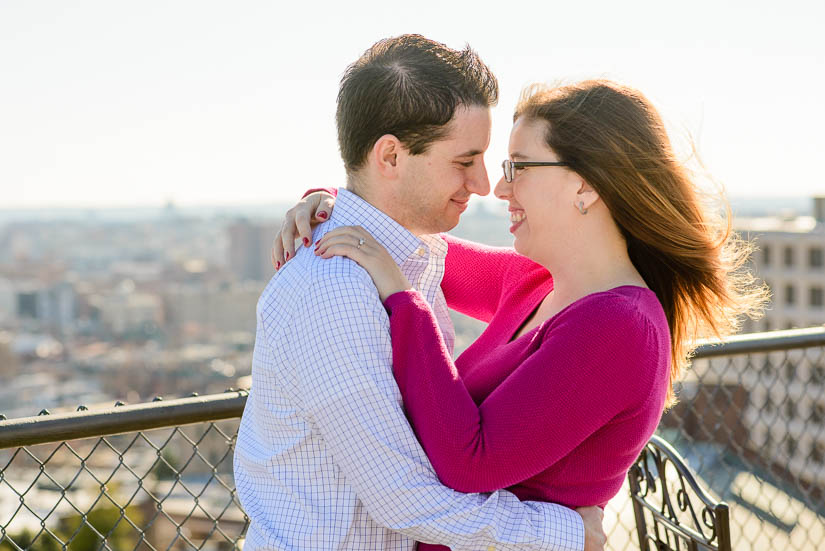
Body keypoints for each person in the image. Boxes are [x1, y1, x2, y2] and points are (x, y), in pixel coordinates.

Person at [275, 80, 768, 551]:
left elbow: (470, 463)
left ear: (585, 184)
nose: (498, 189)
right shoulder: (535, 282)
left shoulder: (622, 328)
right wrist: (335, 205)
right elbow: (405, 243)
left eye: (518, 168)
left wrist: (403, 301)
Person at [233, 35, 605, 551]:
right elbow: (405, 497)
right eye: (463, 160)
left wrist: (330, 203)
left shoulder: (409, 256)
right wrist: (568, 534)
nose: (481, 183)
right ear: (390, 155)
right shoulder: (335, 291)